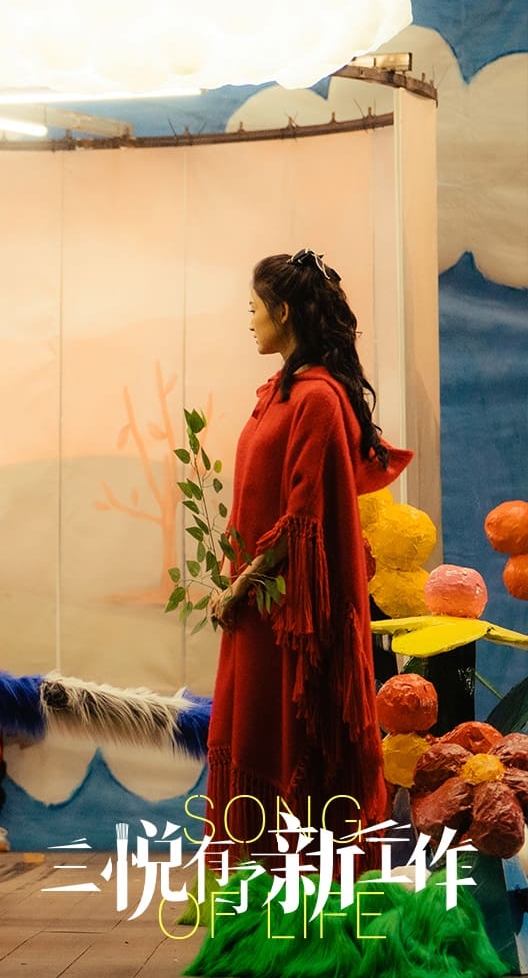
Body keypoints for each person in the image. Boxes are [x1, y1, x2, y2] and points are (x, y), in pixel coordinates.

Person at [205, 249, 412, 850]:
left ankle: (309, 888)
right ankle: (257, 883)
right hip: (260, 609)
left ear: (283, 312)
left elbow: (303, 519)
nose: (248, 320)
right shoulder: (279, 392)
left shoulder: (318, 398)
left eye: (254, 307)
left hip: (294, 616)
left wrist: (241, 585)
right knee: (252, 737)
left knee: (295, 747)